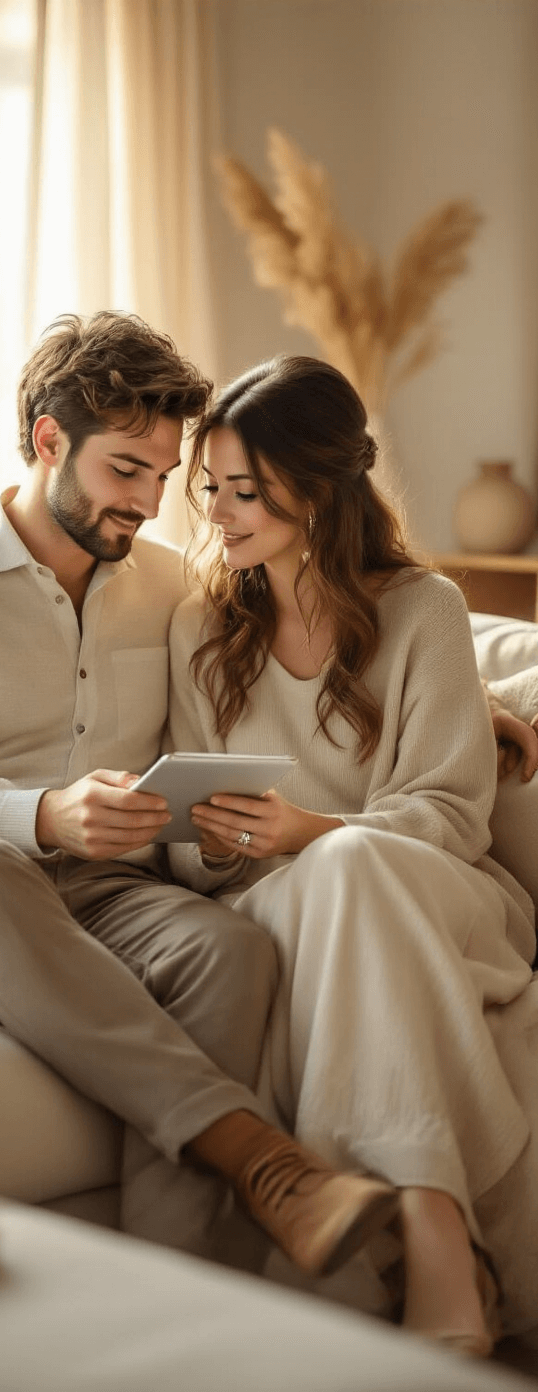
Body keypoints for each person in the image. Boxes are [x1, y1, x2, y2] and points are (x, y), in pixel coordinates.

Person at [0, 313, 401, 1279]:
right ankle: (265, 1162)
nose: (148, 500)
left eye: (160, 472)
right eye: (123, 470)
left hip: (104, 896)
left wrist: (477, 704)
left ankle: (176, 1291)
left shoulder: (170, 587)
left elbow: (321, 631)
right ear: (48, 440)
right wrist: (46, 815)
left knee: (228, 948)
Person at [167, 354, 538, 1355]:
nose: (217, 514)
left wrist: (316, 832)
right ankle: (442, 1240)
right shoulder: (202, 626)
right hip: (276, 907)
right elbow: (191, 854)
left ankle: (430, 1237)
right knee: (336, 875)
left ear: (317, 488)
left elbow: (452, 812)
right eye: (209, 490)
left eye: (244, 492)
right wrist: (212, 837)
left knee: (352, 866)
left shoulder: (424, 610)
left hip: (437, 895)